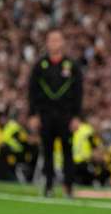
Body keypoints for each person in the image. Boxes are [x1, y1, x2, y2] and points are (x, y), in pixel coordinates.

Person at [28, 28, 83, 197]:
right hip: (46, 114)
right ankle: (49, 185)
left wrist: (77, 116)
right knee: (48, 150)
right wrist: (33, 114)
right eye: (51, 40)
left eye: (57, 40)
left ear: (63, 42)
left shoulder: (71, 66)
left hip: (65, 115)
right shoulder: (40, 66)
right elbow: (32, 91)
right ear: (47, 42)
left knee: (67, 151)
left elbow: (78, 92)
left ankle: (69, 186)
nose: (54, 43)